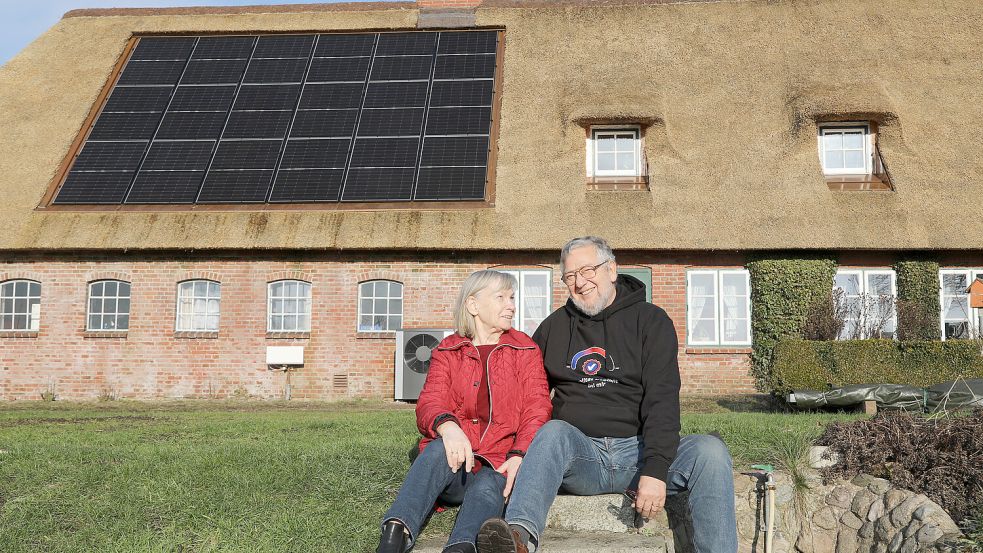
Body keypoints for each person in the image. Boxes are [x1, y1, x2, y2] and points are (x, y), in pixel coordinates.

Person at [476, 237, 738, 553]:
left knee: (709, 451)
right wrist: (515, 452)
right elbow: (526, 399)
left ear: (611, 269)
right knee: (553, 431)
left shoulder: (652, 321)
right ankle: (518, 538)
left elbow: (662, 399)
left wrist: (655, 471)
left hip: (637, 453)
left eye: (588, 270)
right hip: (580, 457)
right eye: (570, 276)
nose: (580, 282)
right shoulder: (552, 328)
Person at [378, 270, 553, 553]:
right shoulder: (449, 350)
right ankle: (395, 533)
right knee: (436, 449)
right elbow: (430, 401)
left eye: (512, 297)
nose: (511, 305)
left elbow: (538, 407)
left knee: (488, 484)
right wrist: (448, 426)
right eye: (501, 297)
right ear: (473, 305)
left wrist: (519, 453)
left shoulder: (525, 349)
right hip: (456, 462)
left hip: (500, 462)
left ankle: (460, 547)